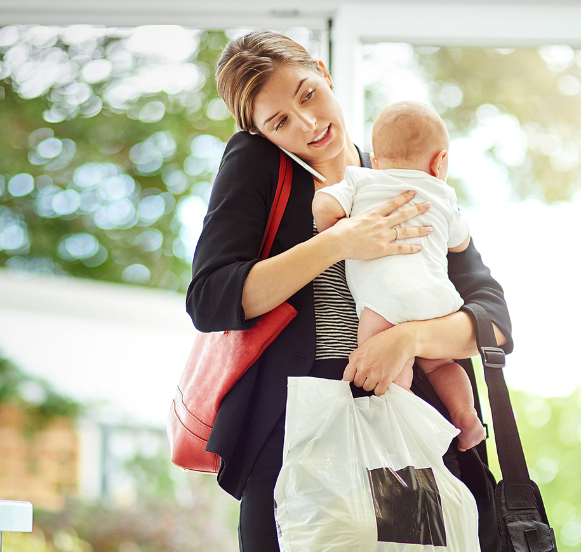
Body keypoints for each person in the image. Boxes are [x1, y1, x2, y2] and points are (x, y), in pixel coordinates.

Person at [186, 30, 512, 552]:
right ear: (260, 133)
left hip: (405, 439)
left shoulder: (399, 168)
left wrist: (405, 341)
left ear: (324, 71)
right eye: (280, 121)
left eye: (307, 94)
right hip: (297, 440)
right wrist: (338, 241)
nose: (308, 124)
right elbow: (209, 297)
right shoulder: (259, 166)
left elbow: (494, 323)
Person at [313, 101, 487, 452]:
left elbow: (324, 207)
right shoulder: (443, 193)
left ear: (375, 159)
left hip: (385, 296)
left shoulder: (361, 178)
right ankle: (465, 414)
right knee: (443, 365)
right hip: (438, 298)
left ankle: (398, 428)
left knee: (386, 364)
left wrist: (340, 231)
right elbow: (460, 241)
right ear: (439, 162)